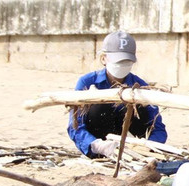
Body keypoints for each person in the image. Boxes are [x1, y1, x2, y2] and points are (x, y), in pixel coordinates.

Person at [67, 30, 167, 158]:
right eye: (118, 61)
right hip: (99, 146)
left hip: (133, 148)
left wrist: (151, 146)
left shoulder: (140, 85)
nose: (122, 66)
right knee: (99, 107)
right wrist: (95, 145)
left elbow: (157, 126)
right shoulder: (87, 82)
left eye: (126, 62)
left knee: (140, 107)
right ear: (103, 58)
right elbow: (74, 125)